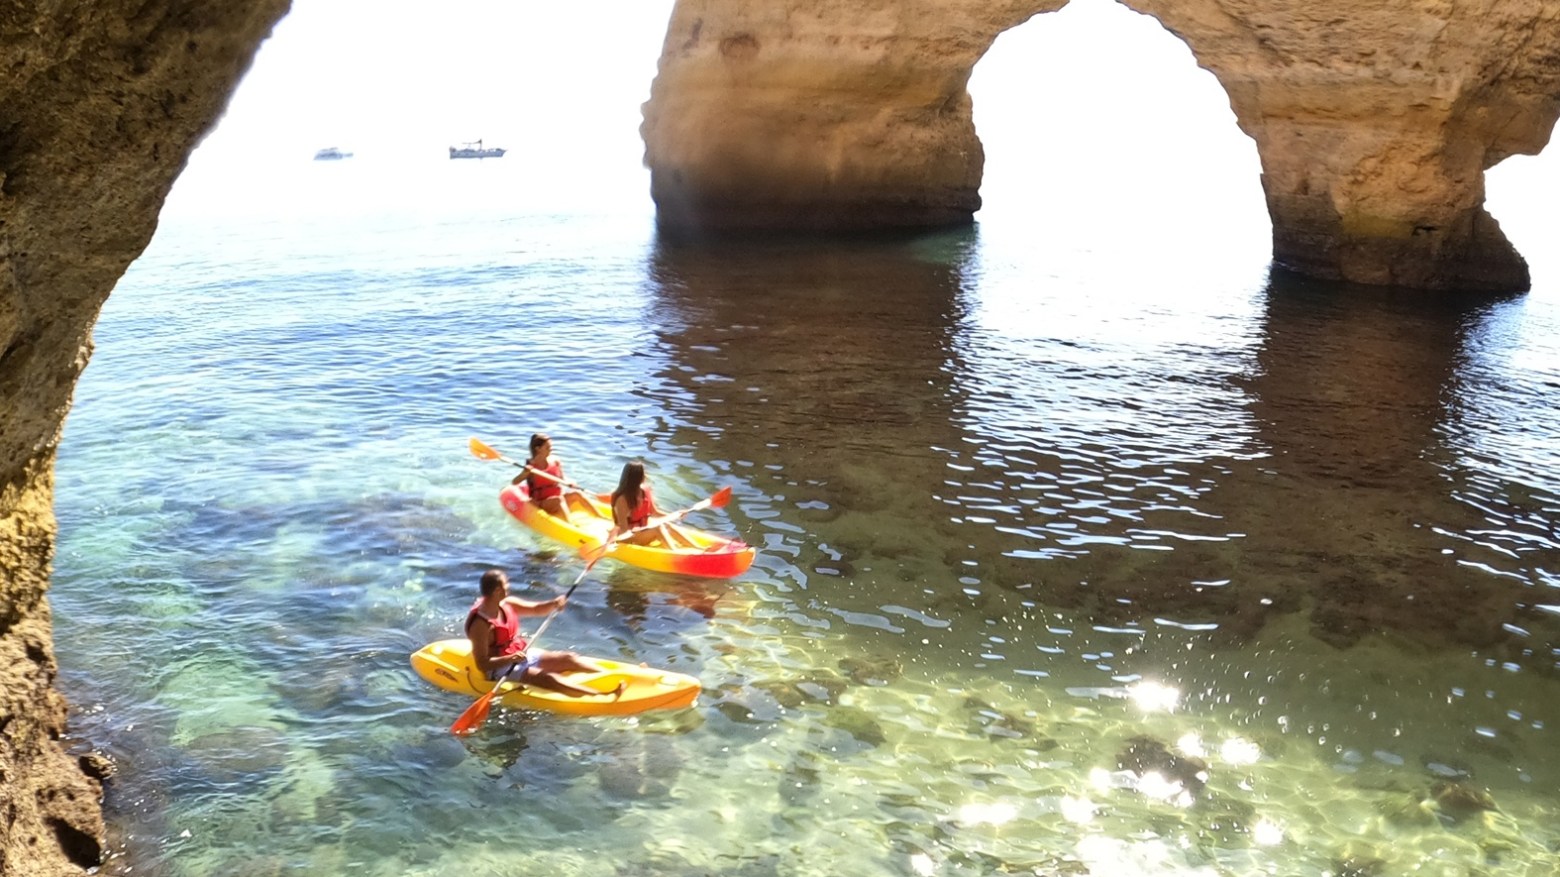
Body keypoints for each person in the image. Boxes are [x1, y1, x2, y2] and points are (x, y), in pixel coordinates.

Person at [466, 569, 623, 699]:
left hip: (519, 654)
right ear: (497, 591)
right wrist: (511, 659)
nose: (509, 587)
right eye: (506, 584)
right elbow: (482, 664)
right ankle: (603, 696)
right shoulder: (481, 625)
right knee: (547, 678)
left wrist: (554, 604)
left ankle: (614, 676)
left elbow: (535, 609)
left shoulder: (506, 604)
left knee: (568, 658)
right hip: (500, 668)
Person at [608, 460, 697, 549]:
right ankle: (675, 552)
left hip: (642, 531)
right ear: (637, 477)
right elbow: (624, 530)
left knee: (667, 524)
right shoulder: (622, 500)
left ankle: (697, 548)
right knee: (658, 528)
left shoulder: (645, 491)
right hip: (627, 537)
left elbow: (654, 512)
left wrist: (676, 515)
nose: (646, 475)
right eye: (644, 473)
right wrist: (643, 530)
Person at [513, 433, 574, 523]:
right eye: (547, 448)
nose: (551, 450)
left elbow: (562, 478)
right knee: (558, 500)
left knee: (577, 494)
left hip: (556, 497)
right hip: (541, 502)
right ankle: (571, 525)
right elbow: (515, 482)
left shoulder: (555, 461)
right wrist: (525, 473)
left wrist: (570, 482)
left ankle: (601, 517)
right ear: (538, 449)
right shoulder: (531, 466)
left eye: (551, 447)